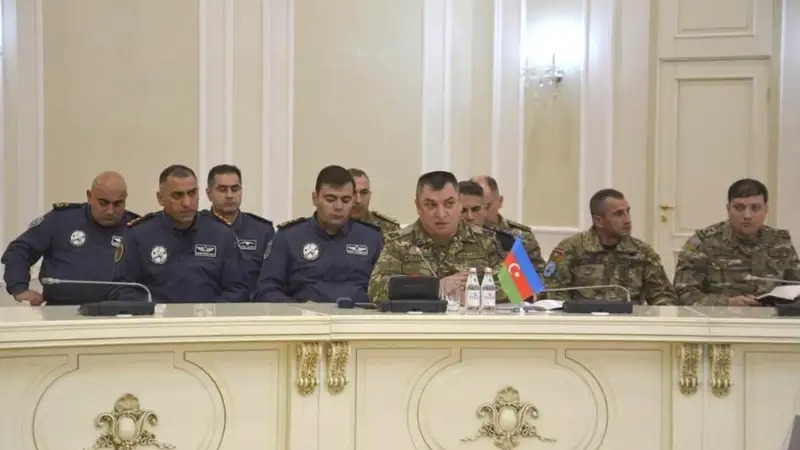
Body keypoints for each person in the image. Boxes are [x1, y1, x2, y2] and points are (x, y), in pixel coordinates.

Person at [109, 165, 249, 302]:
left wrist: (210, 310)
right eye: (178, 195)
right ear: (160, 198)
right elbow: (121, 288)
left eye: (192, 193)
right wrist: (154, 307)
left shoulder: (221, 233)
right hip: (156, 315)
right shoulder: (139, 234)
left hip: (207, 315)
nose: (187, 203)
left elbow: (238, 288)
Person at [1, 171, 139, 305]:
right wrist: (19, 288)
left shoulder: (135, 228)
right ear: (89, 196)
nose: (110, 210)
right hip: (61, 310)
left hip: (120, 312)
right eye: (103, 202)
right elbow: (19, 250)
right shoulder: (62, 220)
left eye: (117, 204)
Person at [252, 165, 384, 303]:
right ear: (315, 198)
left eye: (346, 200)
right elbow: (266, 289)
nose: (339, 207)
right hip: (303, 314)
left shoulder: (372, 238)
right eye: (330, 199)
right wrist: (298, 310)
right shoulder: (289, 237)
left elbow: (386, 290)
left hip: (358, 315)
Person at [368, 171, 504, 302]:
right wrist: (436, 288)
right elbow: (376, 289)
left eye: (449, 204)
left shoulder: (485, 240)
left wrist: (473, 293)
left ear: (459, 204)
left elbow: (513, 285)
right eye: (431, 205)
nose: (441, 214)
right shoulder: (399, 243)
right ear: (418, 206)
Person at [674, 179, 800, 306]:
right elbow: (683, 292)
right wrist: (727, 303)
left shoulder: (780, 242)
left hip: (771, 315)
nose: (747, 215)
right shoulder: (703, 242)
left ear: (766, 210)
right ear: (728, 209)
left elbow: (796, 287)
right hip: (719, 316)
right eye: (739, 208)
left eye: (755, 208)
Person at [542, 188, 676, 305]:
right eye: (619, 214)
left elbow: (663, 295)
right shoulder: (569, 249)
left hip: (629, 322)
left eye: (628, 212)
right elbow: (553, 293)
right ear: (598, 221)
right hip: (584, 322)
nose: (627, 220)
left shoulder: (642, 252)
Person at [201, 164, 275, 292]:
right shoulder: (198, 228)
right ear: (209, 194)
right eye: (222, 189)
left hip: (251, 302)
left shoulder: (262, 231)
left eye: (235, 189)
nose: (229, 195)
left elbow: (271, 279)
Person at [471, 175, 545, 272]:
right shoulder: (462, 233)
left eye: (487, 206)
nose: (481, 212)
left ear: (500, 201)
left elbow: (537, 273)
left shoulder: (521, 235)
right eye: (475, 208)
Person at [458, 180, 515, 253]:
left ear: (485, 209)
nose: (470, 217)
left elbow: (521, 261)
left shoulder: (509, 243)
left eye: (476, 209)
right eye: (463, 210)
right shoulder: (445, 243)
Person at [347, 168, 401, 233]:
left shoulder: (389, 228)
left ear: (370, 195)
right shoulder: (335, 227)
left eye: (364, 193)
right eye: (353, 193)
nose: (358, 200)